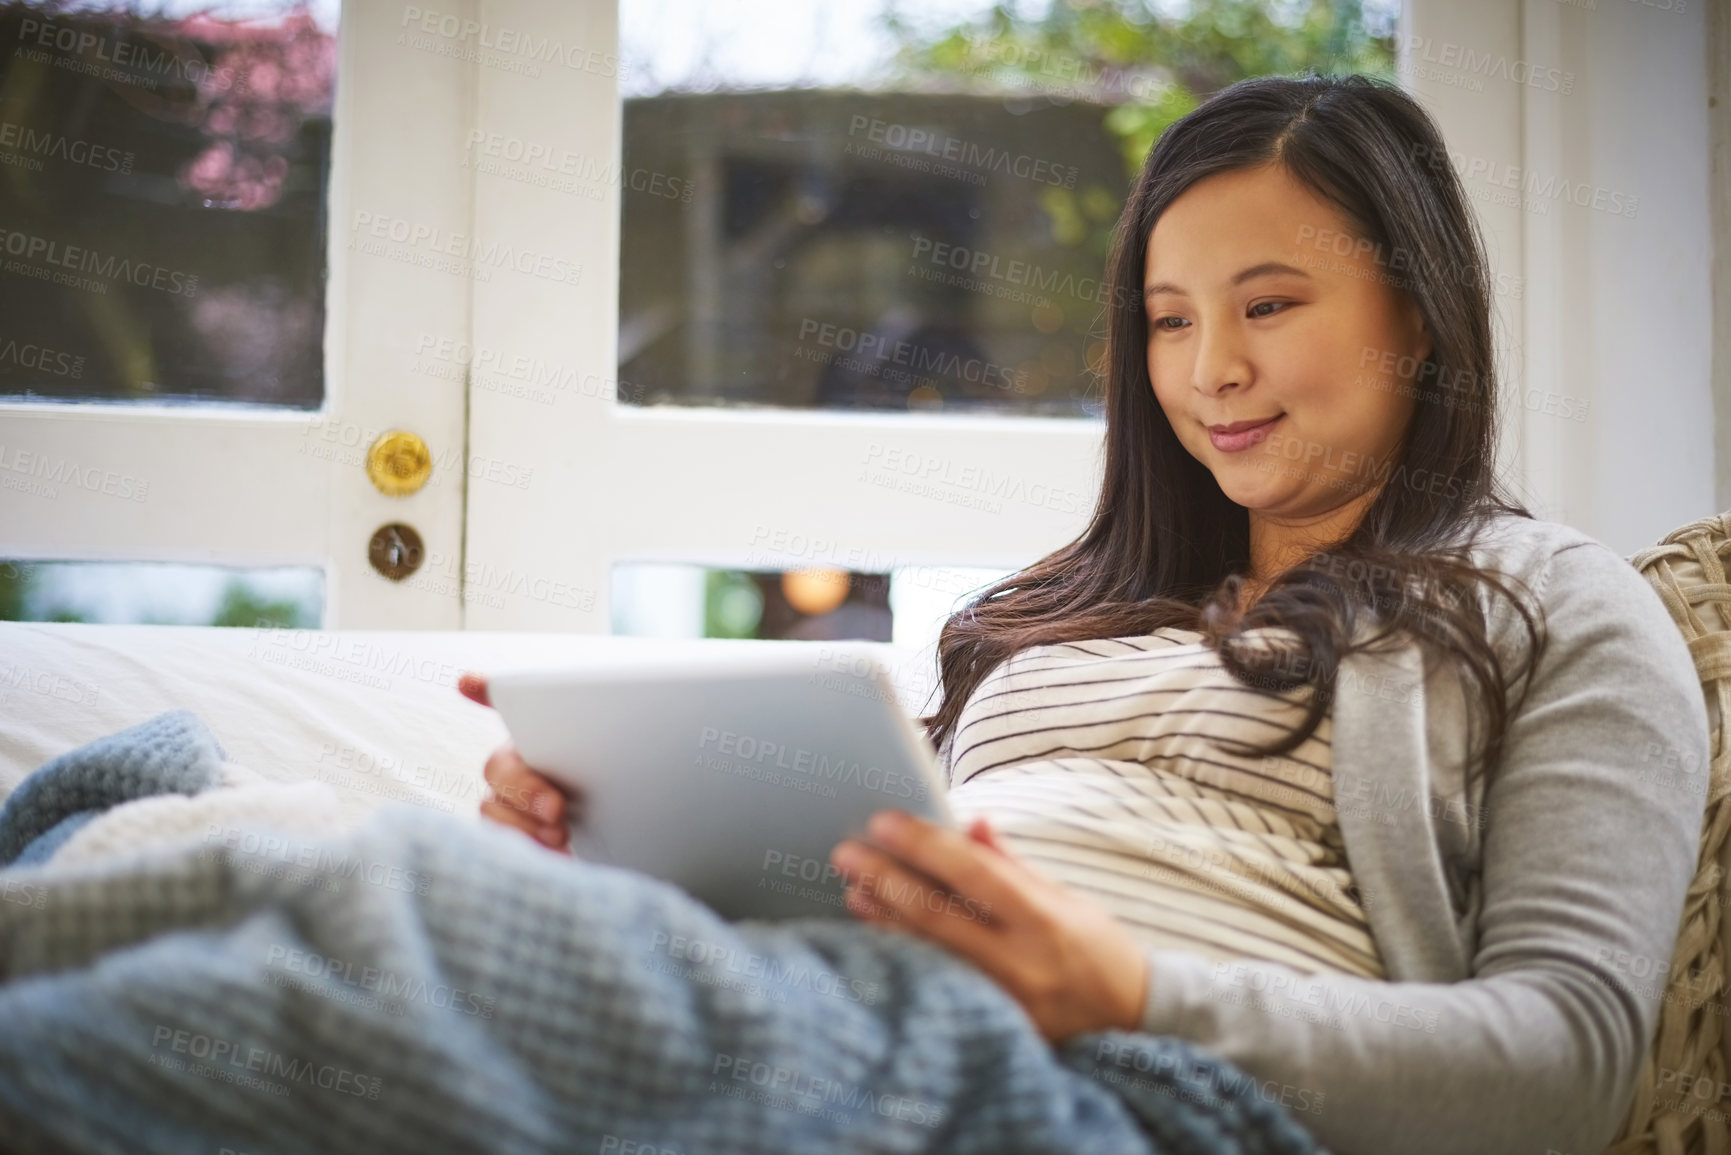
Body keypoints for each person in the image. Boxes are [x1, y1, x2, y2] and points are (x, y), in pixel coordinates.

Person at [467, 73, 1708, 1155]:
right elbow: (860, 895)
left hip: (1139, 1095)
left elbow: (1569, 1067)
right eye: (1171, 321)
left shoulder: (1554, 602)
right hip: (846, 1026)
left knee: (364, 921)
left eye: (1269, 305)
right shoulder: (1056, 614)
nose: (1210, 368)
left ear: (1419, 313)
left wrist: (1129, 997)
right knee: (415, 903)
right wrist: (623, 849)